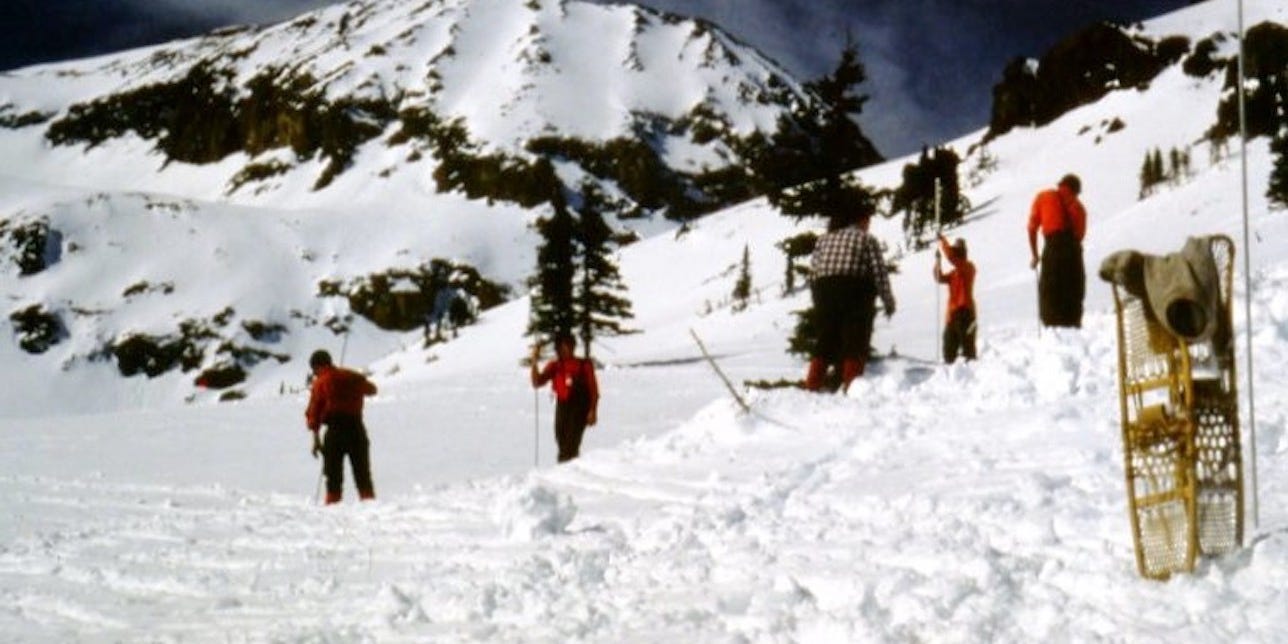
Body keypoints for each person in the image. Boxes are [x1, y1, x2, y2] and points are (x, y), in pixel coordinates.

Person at [805, 208, 896, 393]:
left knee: (826, 338)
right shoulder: (866, 239)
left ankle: (812, 384)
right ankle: (852, 386)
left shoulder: (824, 239)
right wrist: (888, 301)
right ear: (860, 220)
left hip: (824, 290)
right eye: (867, 221)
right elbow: (879, 273)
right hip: (855, 290)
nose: (868, 225)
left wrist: (818, 299)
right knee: (855, 340)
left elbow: (813, 272)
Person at [304, 349, 377, 504]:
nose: (314, 374)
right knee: (363, 474)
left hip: (335, 432)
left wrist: (316, 440)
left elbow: (313, 413)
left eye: (314, 370)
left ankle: (332, 508)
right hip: (357, 429)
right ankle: (370, 506)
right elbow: (372, 390)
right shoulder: (352, 376)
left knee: (333, 476)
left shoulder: (320, 382)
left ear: (317, 367)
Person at [1028, 174, 1087, 328]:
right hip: (1073, 250)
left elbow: (1031, 228)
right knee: (1074, 288)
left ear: (1060, 184)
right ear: (1076, 190)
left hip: (1052, 246)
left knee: (1050, 288)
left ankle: (1051, 325)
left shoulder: (1043, 196)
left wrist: (1035, 255)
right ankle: (1073, 323)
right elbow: (1079, 235)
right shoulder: (1079, 207)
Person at [530, 333, 599, 463]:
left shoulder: (584, 364)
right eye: (562, 346)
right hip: (562, 405)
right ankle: (566, 470)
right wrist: (534, 361)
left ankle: (566, 471)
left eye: (569, 345)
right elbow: (537, 382)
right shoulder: (555, 366)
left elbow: (593, 390)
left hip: (580, 407)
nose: (565, 349)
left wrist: (592, 411)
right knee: (561, 439)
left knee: (571, 443)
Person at [934, 233, 977, 363]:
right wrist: (938, 262)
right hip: (952, 316)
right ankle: (950, 377)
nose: (956, 253)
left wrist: (942, 241)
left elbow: (951, 257)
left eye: (958, 250)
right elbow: (939, 277)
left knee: (968, 351)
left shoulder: (969, 268)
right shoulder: (954, 273)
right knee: (948, 350)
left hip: (966, 315)